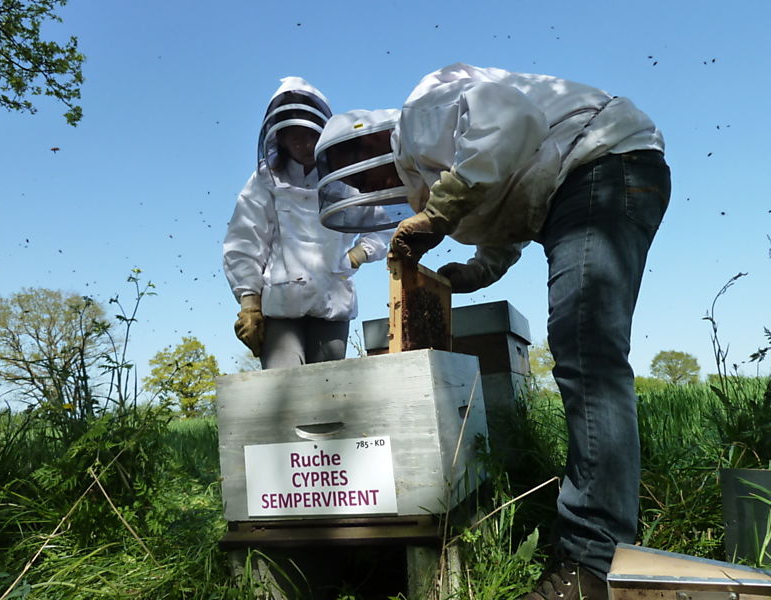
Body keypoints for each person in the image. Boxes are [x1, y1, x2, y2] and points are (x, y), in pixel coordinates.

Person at [315, 63, 671, 600]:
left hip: (602, 159)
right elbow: (515, 200)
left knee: (586, 350)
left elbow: (512, 120)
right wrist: (476, 271)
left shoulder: (420, 118)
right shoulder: (436, 166)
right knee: (584, 350)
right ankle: (599, 552)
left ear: (365, 144)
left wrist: (439, 215)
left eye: (361, 174)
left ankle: (594, 563)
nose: (368, 186)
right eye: (359, 186)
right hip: (588, 177)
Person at [223, 77, 389, 369]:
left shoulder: (344, 175)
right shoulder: (266, 180)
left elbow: (384, 220)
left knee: (328, 387)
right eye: (294, 138)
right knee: (283, 385)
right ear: (280, 139)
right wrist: (249, 300)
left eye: (309, 136)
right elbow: (245, 239)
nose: (304, 145)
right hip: (280, 302)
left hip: (332, 295)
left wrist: (360, 253)